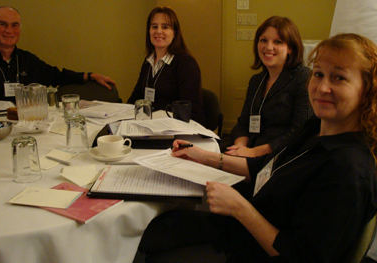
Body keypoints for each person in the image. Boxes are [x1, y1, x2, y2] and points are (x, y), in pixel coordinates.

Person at [137, 33, 377, 263]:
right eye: (318, 74)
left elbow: (300, 256)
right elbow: (266, 166)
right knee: (146, 229)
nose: (322, 87)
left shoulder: (348, 170)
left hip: (248, 251)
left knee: (142, 248)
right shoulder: (317, 127)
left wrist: (239, 208)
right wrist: (203, 156)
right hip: (238, 228)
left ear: (367, 90)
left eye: (339, 78)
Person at [0, 6, 116, 103]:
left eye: (15, 25)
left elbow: (57, 76)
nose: (9, 30)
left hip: (22, 126)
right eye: (3, 24)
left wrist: (90, 76)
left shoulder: (26, 60)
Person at [225, 16, 312, 157]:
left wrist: (253, 152)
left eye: (277, 42)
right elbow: (243, 123)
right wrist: (239, 147)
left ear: (290, 48)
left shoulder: (303, 78)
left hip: (280, 155)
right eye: (263, 40)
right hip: (249, 150)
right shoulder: (256, 81)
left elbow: (299, 132)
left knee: (209, 160)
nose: (268, 47)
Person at [127, 6, 206, 126]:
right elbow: (136, 98)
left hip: (177, 130)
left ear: (174, 33)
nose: (158, 31)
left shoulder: (185, 64)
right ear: (149, 31)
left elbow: (191, 112)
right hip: (149, 127)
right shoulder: (148, 62)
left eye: (165, 27)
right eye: (154, 26)